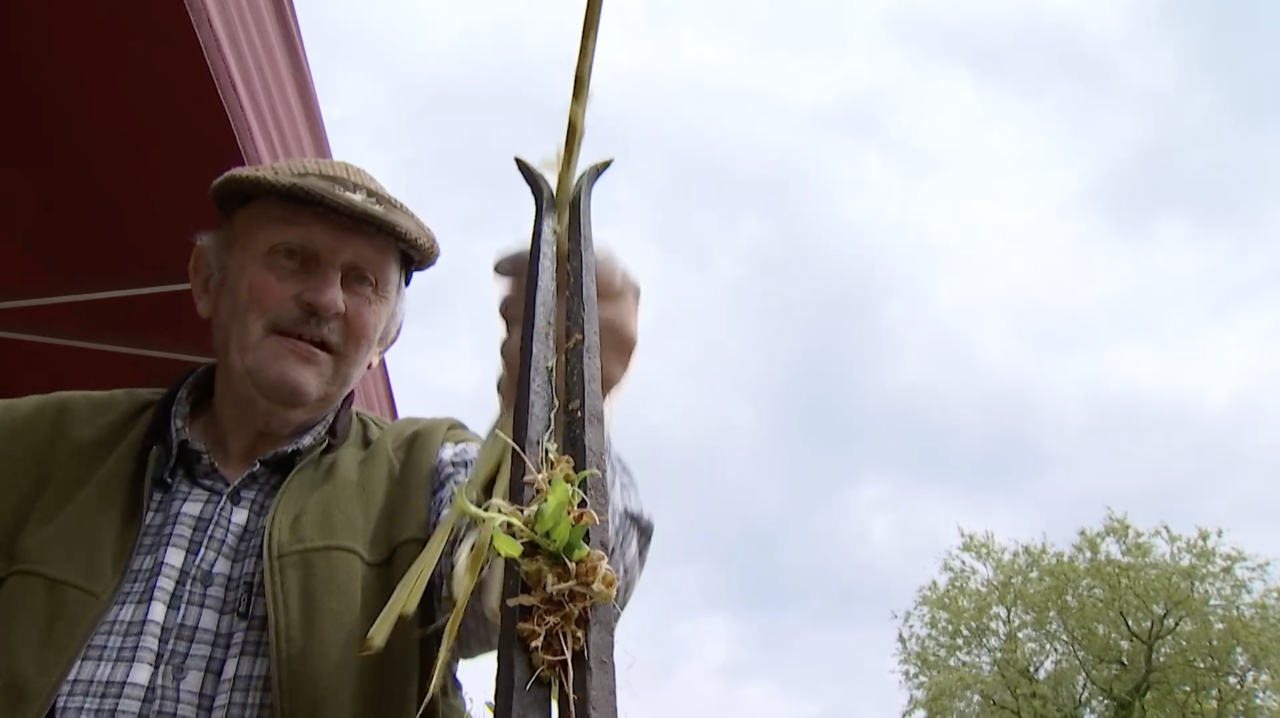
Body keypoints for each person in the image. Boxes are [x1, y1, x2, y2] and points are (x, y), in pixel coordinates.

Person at [0, 158, 654, 718]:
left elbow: (540, 600)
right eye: (292, 258)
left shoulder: (425, 474)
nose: (325, 300)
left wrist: (570, 406)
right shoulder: (32, 444)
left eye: (361, 282)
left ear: (385, 340)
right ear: (207, 280)